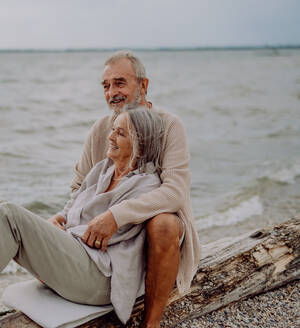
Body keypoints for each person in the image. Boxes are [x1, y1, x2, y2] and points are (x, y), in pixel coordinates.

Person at [0, 107, 168, 328]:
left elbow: (99, 238)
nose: (111, 137)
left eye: (120, 134)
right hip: (76, 259)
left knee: (9, 214)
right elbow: (72, 209)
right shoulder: (102, 170)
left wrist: (61, 236)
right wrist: (58, 221)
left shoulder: (146, 185)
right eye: (112, 130)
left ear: (140, 145)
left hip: (100, 279)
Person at [51, 50, 202, 328]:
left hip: (150, 232)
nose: (112, 93)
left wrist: (116, 215)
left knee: (165, 223)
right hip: (107, 240)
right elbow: (79, 186)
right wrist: (61, 218)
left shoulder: (169, 126)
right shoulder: (100, 129)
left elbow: (175, 193)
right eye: (106, 86)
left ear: (143, 85)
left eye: (120, 83)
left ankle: (151, 323)